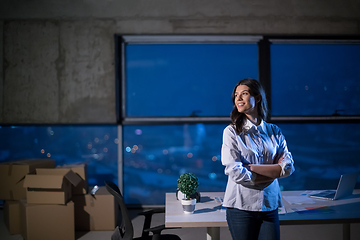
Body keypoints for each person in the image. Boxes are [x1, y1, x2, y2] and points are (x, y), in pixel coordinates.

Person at [221, 78, 295, 240]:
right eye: (236, 95)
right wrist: (273, 172)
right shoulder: (231, 132)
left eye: (244, 94)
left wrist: (252, 168)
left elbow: (288, 167)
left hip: (269, 204)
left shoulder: (274, 131)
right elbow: (235, 172)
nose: (238, 99)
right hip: (241, 206)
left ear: (258, 97)